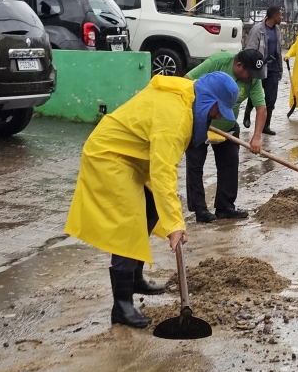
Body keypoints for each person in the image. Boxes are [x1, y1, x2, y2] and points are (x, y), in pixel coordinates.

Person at [64, 71, 239, 328]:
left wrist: (170, 219)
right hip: (109, 156)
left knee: (151, 210)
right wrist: (176, 225)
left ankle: (135, 277)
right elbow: (163, 173)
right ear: (207, 100)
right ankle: (121, 306)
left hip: (132, 156)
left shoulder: (189, 93)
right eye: (217, 110)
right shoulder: (175, 119)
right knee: (129, 225)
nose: (218, 116)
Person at [184, 50, 267, 223]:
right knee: (195, 166)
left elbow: (261, 108)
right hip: (200, 122)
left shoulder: (253, 78)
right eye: (249, 73)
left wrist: (257, 136)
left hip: (227, 125)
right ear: (238, 65)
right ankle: (200, 210)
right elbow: (186, 80)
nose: (252, 78)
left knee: (230, 163)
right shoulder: (217, 62)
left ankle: (225, 207)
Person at [244, 5, 283, 135]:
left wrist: (280, 69)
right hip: (259, 67)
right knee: (255, 94)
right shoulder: (258, 29)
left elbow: (279, 51)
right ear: (273, 16)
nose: (281, 17)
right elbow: (250, 49)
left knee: (271, 98)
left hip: (272, 68)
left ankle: (266, 126)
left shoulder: (277, 30)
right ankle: (247, 113)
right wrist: (252, 67)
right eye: (280, 15)